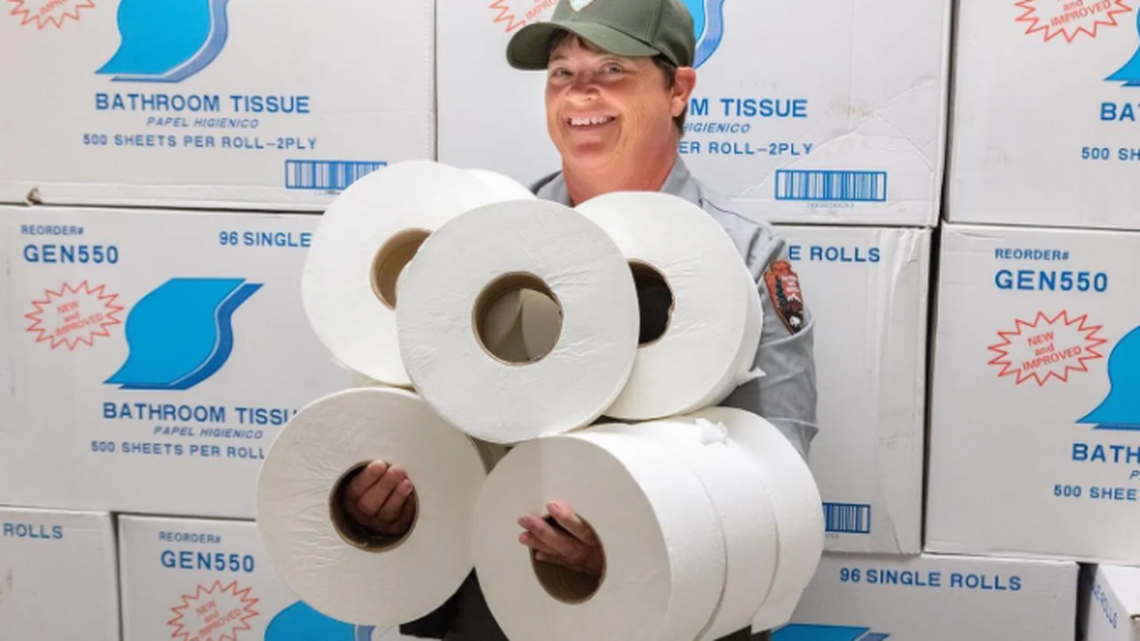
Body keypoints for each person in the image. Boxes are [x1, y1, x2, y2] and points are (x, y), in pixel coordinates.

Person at [345, 0, 819, 638]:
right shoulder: (485, 243)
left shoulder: (740, 257)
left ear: (678, 89)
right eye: (562, 73)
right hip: (502, 599)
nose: (580, 94)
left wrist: (641, 542)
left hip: (673, 610)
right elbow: (423, 425)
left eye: (612, 68)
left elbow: (777, 462)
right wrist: (386, 503)